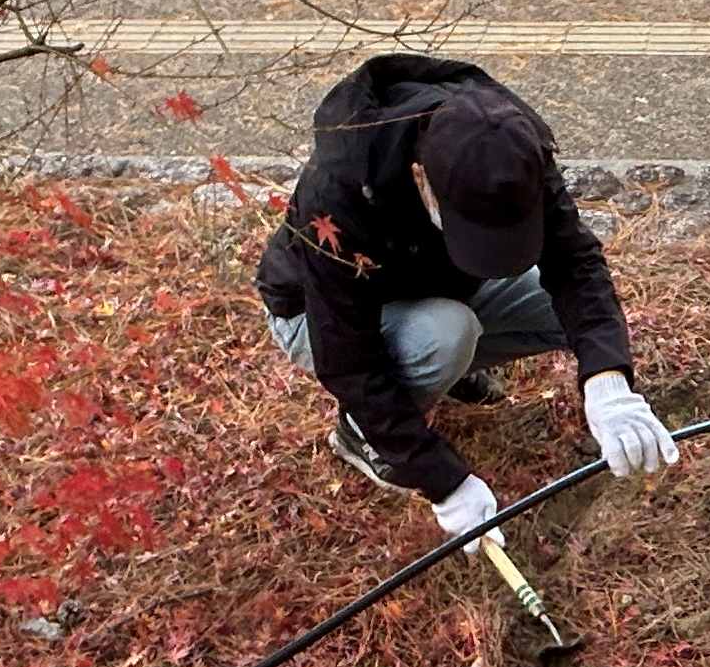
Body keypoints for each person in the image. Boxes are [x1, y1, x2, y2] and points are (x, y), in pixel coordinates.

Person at [256, 54, 677, 537]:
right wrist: (442, 479)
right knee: (446, 334)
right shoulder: (342, 189)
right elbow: (347, 357)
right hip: (314, 315)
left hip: (436, 282)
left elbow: (574, 263)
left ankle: (441, 369)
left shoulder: (512, 147)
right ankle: (360, 433)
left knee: (560, 313)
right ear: (421, 178)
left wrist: (607, 381)